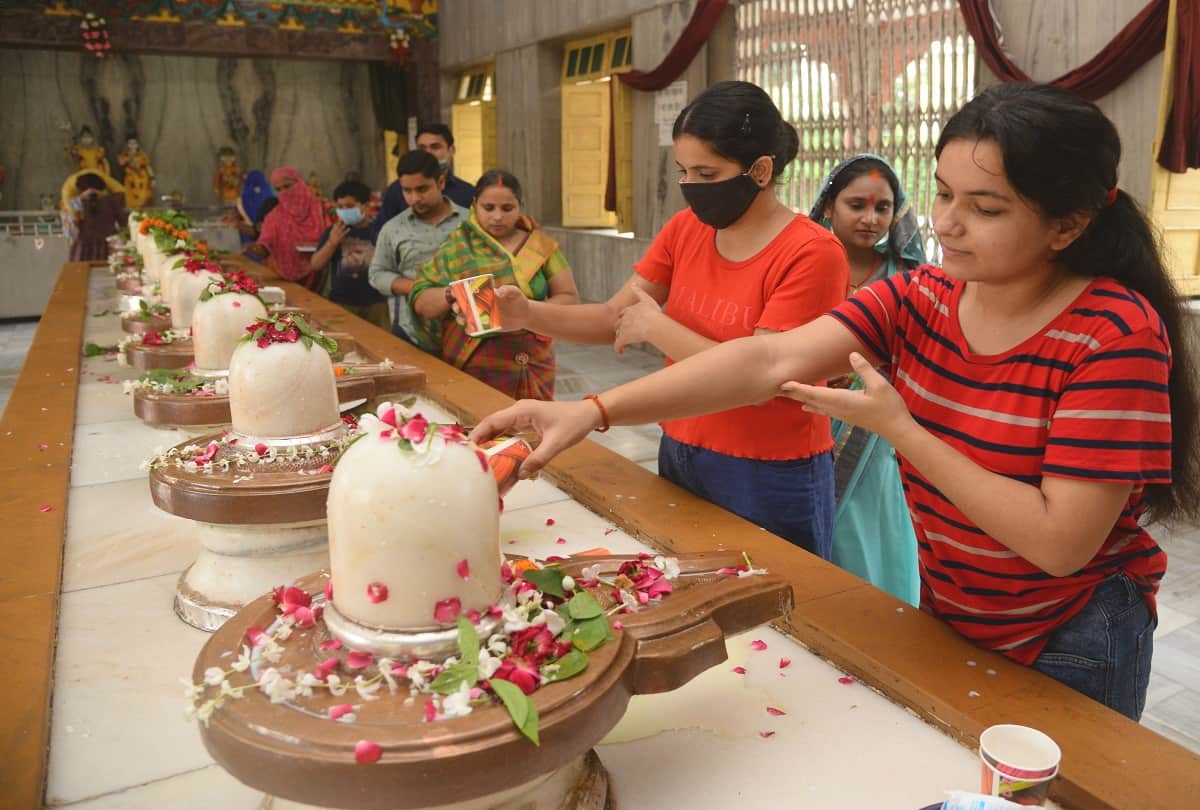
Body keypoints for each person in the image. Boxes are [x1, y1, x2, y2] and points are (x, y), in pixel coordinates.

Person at [474, 83, 1200, 721]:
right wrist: (592, 411)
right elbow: (767, 358)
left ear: (1068, 224)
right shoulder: (923, 296)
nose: (947, 223)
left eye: (984, 208)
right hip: (954, 601)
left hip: (1069, 631)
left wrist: (901, 430)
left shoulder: (1113, 335)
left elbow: (1058, 543)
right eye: (943, 194)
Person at [489, 80, 848, 558]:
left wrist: (657, 328)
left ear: (761, 170)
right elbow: (614, 317)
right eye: (683, 172)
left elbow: (762, 381)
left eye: (706, 172)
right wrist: (528, 313)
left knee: (775, 594)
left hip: (767, 470)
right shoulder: (686, 230)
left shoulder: (812, 253)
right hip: (680, 445)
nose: (690, 187)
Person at [808, 154, 926, 605]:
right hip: (811, 419)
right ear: (829, 206)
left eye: (882, 208)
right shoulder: (807, 268)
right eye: (856, 205)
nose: (870, 219)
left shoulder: (908, 277)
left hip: (877, 443)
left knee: (873, 541)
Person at [409, 170, 579, 400]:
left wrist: (526, 312)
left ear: (520, 206)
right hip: (475, 361)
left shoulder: (540, 246)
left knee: (536, 419)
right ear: (474, 205)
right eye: (488, 208)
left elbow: (568, 296)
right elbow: (421, 300)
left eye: (507, 208)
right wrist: (452, 293)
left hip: (534, 358)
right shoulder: (457, 247)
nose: (497, 216)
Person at [368, 150, 469, 346]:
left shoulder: (470, 222)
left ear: (441, 182)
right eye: (407, 191)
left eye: (422, 189)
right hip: (413, 333)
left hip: (466, 331)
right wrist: (418, 288)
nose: (415, 198)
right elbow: (377, 274)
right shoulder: (393, 229)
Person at [310, 179, 391, 331]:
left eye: (350, 206)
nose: (344, 211)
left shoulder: (380, 231)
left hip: (376, 303)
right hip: (342, 302)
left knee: (379, 340)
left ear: (366, 206)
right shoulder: (334, 231)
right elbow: (316, 265)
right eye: (340, 207)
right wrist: (332, 243)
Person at [247, 167, 327, 290]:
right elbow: (265, 249)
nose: (284, 192)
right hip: (283, 279)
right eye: (278, 189)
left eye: (287, 186)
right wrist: (256, 249)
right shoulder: (274, 217)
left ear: (300, 183)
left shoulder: (322, 209)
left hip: (321, 277)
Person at [379, 123, 475, 223]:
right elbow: (381, 228)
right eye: (422, 148)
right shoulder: (397, 190)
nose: (428, 153)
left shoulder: (468, 193)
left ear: (451, 150)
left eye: (435, 147)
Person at [62, 170, 125, 261]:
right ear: (101, 187)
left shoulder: (73, 205)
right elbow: (123, 226)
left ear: (80, 189)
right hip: (108, 248)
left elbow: (69, 234)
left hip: (82, 250)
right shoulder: (112, 202)